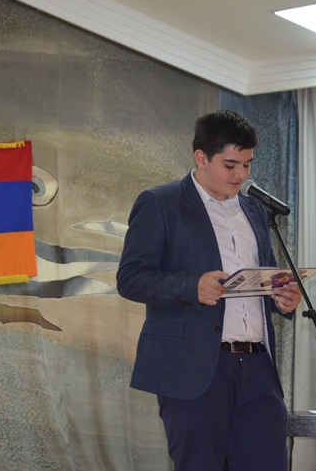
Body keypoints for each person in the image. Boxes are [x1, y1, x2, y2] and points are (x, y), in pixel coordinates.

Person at [116, 109, 302, 471]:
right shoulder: (161, 203)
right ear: (201, 158)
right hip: (195, 368)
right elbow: (130, 277)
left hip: (258, 367)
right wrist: (191, 285)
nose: (241, 175)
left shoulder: (254, 210)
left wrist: (282, 299)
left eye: (247, 164)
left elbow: (262, 277)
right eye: (230, 165)